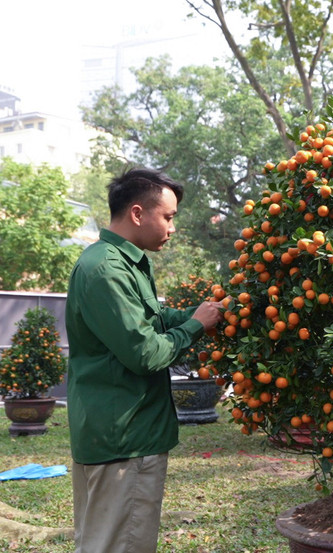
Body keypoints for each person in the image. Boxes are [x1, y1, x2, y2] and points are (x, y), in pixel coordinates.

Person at [65, 168, 224, 553]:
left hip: (118, 431)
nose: (172, 228)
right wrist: (195, 328)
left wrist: (201, 314)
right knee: (119, 544)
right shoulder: (106, 269)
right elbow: (146, 352)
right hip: (125, 437)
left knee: (101, 541)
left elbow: (149, 321)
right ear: (138, 213)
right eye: (167, 217)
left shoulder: (125, 262)